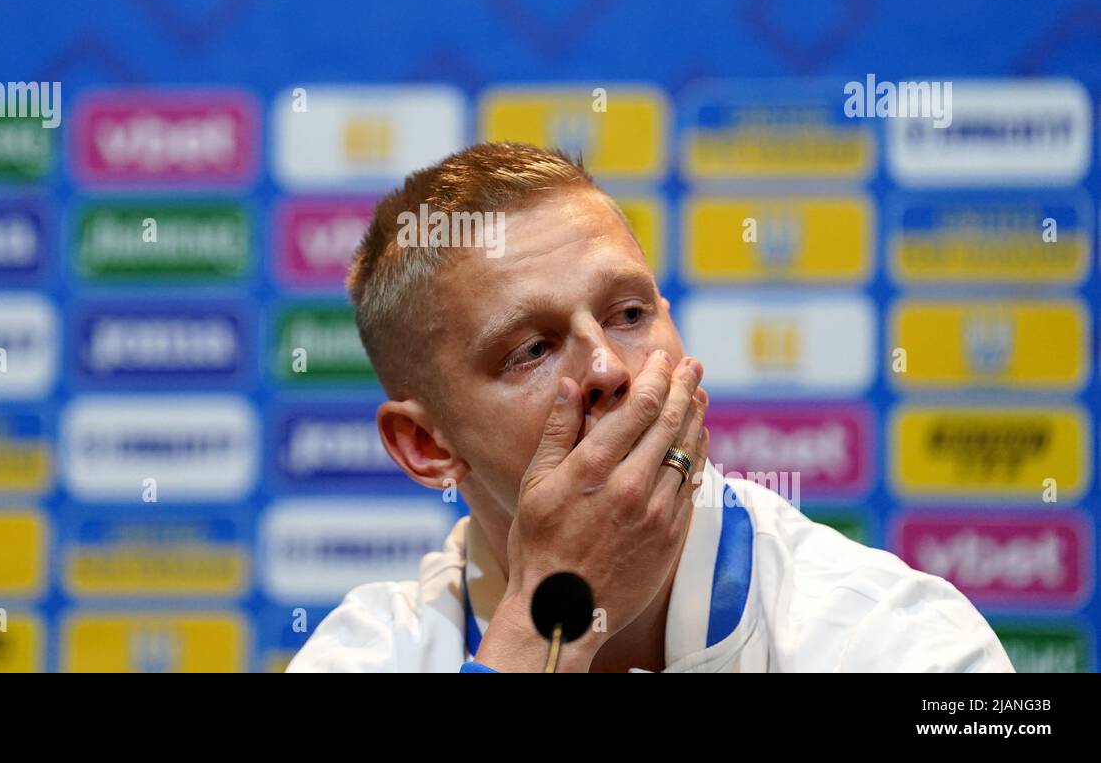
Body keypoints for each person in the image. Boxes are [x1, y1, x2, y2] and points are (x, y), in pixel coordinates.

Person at [286, 142, 1014, 673]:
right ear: (425, 445)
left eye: (629, 314)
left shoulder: (895, 641)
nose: (606, 365)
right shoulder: (368, 655)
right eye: (532, 350)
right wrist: (553, 616)